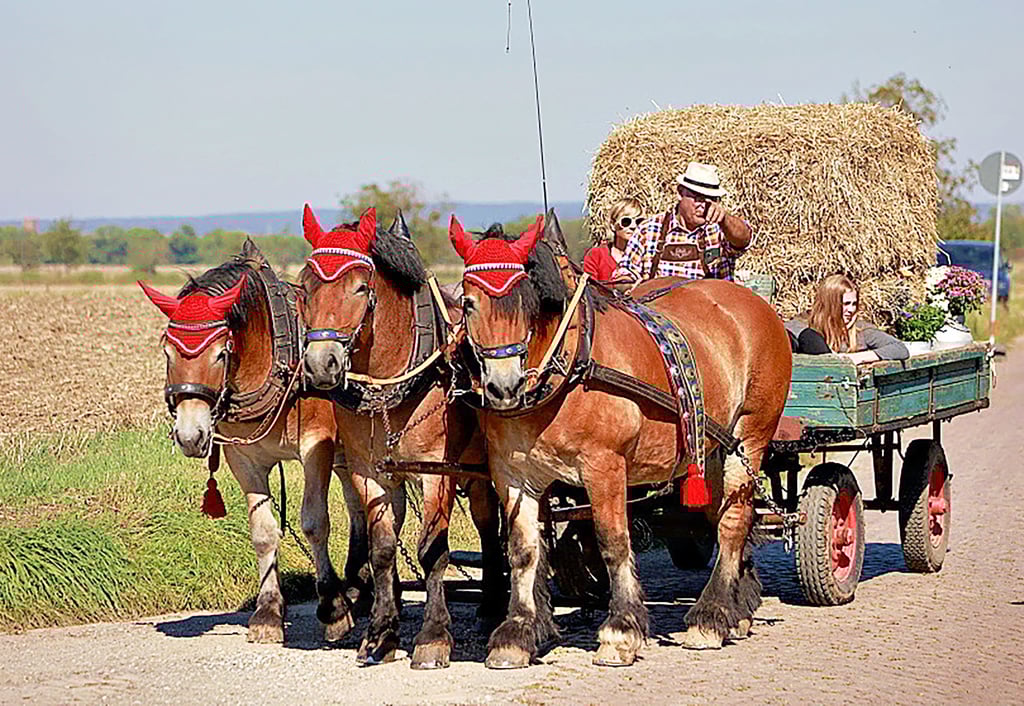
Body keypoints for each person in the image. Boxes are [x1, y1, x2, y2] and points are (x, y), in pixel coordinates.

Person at [611, 162, 754, 284]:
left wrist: (725, 219)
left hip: (711, 307)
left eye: (711, 199)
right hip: (659, 307)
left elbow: (743, 239)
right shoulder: (649, 230)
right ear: (680, 193)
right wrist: (625, 283)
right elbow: (626, 271)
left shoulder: (720, 230)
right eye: (697, 197)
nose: (703, 205)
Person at [786, 274, 909, 362]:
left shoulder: (861, 330)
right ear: (830, 305)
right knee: (808, 336)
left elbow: (899, 348)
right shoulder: (804, 324)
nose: (851, 309)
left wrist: (854, 358)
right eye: (845, 304)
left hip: (844, 385)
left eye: (854, 304)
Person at [583, 198, 645, 280]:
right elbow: (590, 285)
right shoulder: (596, 256)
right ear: (612, 225)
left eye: (639, 222)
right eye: (626, 221)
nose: (633, 226)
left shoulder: (648, 257)